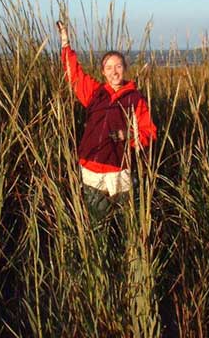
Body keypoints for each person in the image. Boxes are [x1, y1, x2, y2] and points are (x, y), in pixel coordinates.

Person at [57, 21, 157, 221]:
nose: (114, 71)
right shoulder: (94, 92)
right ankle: (98, 250)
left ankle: (129, 251)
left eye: (118, 66)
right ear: (103, 72)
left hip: (118, 171)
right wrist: (65, 43)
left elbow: (149, 132)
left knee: (126, 220)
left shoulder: (135, 98)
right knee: (97, 221)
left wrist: (127, 136)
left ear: (125, 68)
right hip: (90, 167)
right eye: (109, 67)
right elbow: (73, 74)